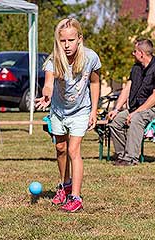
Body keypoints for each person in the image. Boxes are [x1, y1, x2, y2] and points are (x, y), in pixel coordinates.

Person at [35, 18, 101, 212]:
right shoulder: (53, 60)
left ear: (79, 38)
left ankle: (76, 197)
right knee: (60, 148)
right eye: (62, 41)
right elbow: (48, 83)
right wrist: (46, 93)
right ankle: (65, 185)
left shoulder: (90, 58)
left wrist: (94, 111)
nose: (66, 45)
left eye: (70, 40)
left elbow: (95, 83)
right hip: (58, 110)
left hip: (81, 110)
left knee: (74, 150)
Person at [108, 38, 155, 166]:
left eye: (134, 51)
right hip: (135, 108)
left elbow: (154, 97)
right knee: (115, 121)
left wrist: (136, 112)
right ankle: (122, 155)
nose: (133, 54)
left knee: (137, 119)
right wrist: (116, 109)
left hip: (151, 109)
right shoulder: (135, 68)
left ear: (141, 53)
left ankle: (131, 158)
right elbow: (127, 88)